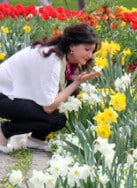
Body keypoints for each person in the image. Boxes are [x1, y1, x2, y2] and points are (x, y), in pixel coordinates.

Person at [0, 23, 101, 153]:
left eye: (92, 51)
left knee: (71, 95)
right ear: (72, 46)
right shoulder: (51, 59)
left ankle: (36, 139)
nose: (90, 56)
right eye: (87, 50)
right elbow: (48, 107)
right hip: (3, 96)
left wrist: (74, 85)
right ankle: (5, 130)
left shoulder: (63, 59)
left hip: (12, 95)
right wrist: (76, 83)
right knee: (55, 118)